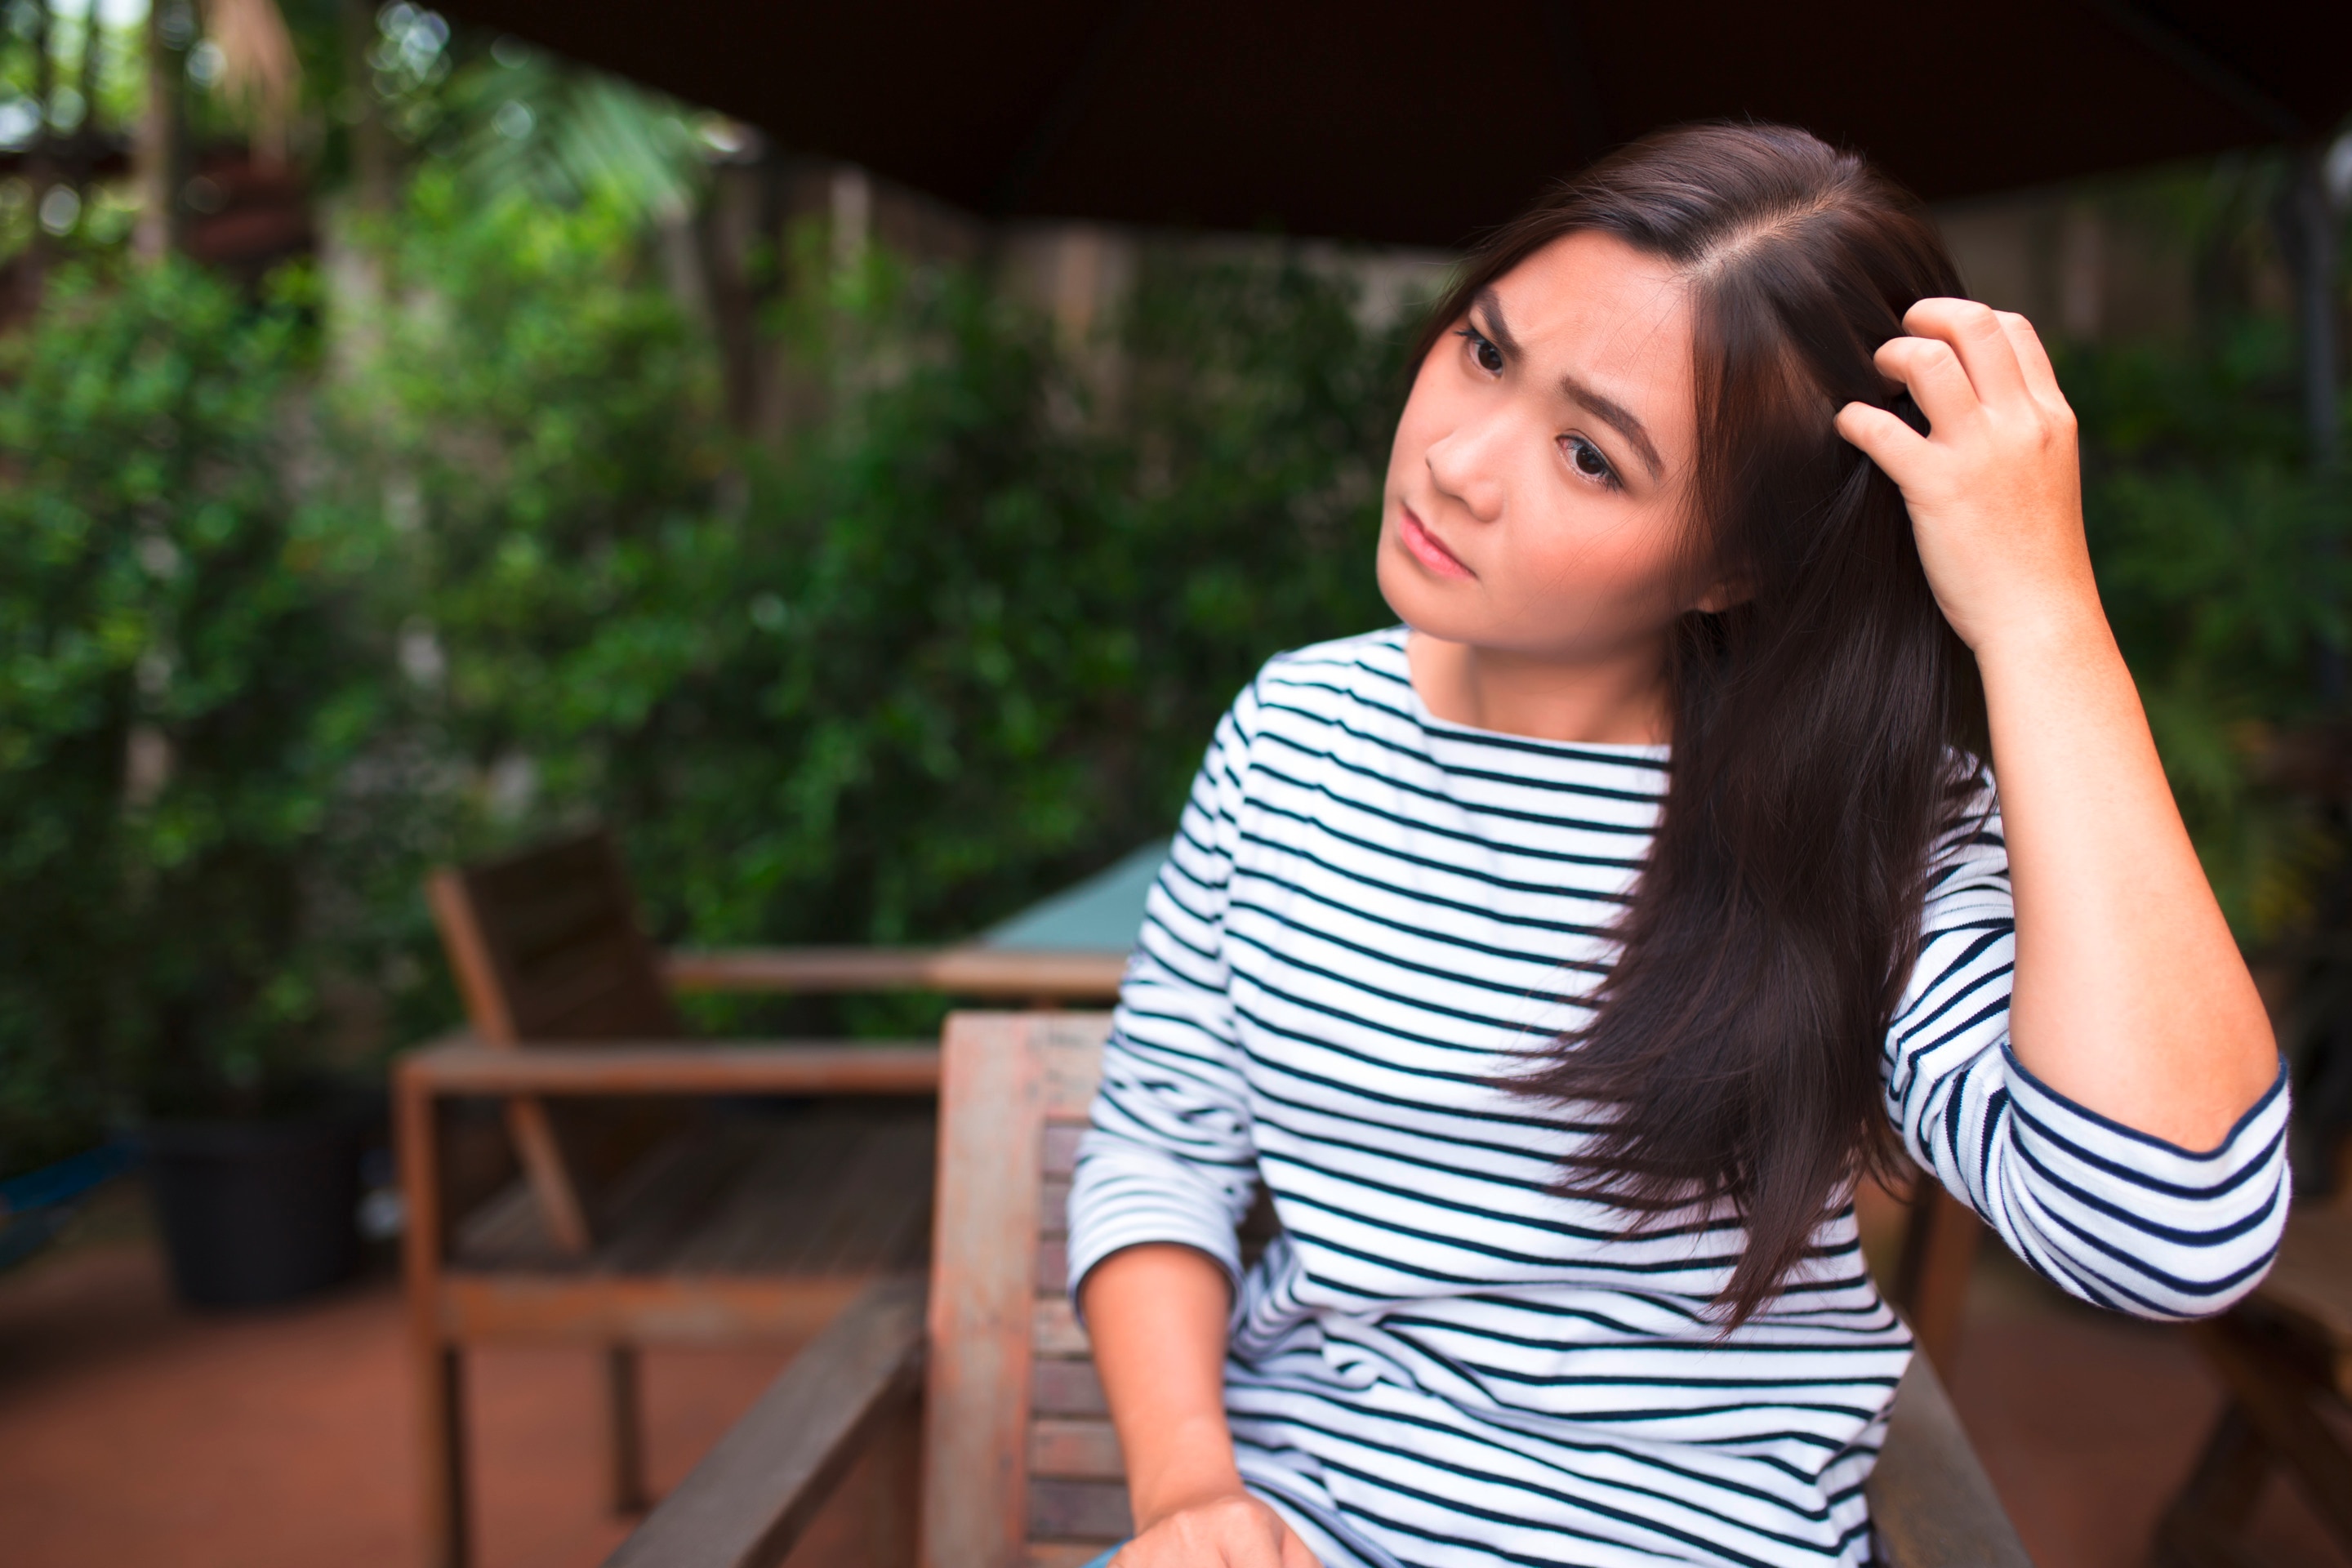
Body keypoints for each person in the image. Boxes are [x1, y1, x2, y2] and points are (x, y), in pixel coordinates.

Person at [1065, 123, 2291, 1568]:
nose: (1458, 463)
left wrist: (2042, 614)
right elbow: (1160, 1151)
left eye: (1591, 455)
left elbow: (2174, 1235)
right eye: (1483, 349)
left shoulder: (1866, 831)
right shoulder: (1293, 734)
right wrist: (1192, 1495)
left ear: (1734, 566)